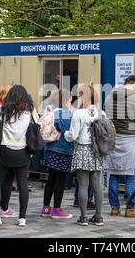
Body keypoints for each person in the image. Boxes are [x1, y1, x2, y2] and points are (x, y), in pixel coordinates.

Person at [0, 85, 33, 227]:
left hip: (5, 150)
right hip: (23, 151)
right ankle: (22, 218)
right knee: (22, 184)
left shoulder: (4, 108)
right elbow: (37, 125)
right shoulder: (30, 110)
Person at [104, 75, 135, 217]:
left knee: (113, 174)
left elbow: (106, 117)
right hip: (130, 140)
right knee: (131, 175)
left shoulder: (110, 97)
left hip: (114, 139)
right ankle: (130, 208)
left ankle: (114, 207)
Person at [65, 84, 106, 226]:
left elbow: (73, 135)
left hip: (82, 150)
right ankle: (99, 216)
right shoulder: (102, 113)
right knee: (97, 185)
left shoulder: (78, 113)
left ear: (83, 96)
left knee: (83, 185)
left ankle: (83, 217)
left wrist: (65, 134)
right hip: (97, 152)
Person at [40, 89, 75, 219]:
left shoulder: (51, 111)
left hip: (49, 149)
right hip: (62, 150)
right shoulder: (65, 113)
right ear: (67, 98)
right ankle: (56, 209)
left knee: (51, 179)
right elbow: (68, 131)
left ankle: (45, 208)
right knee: (60, 181)